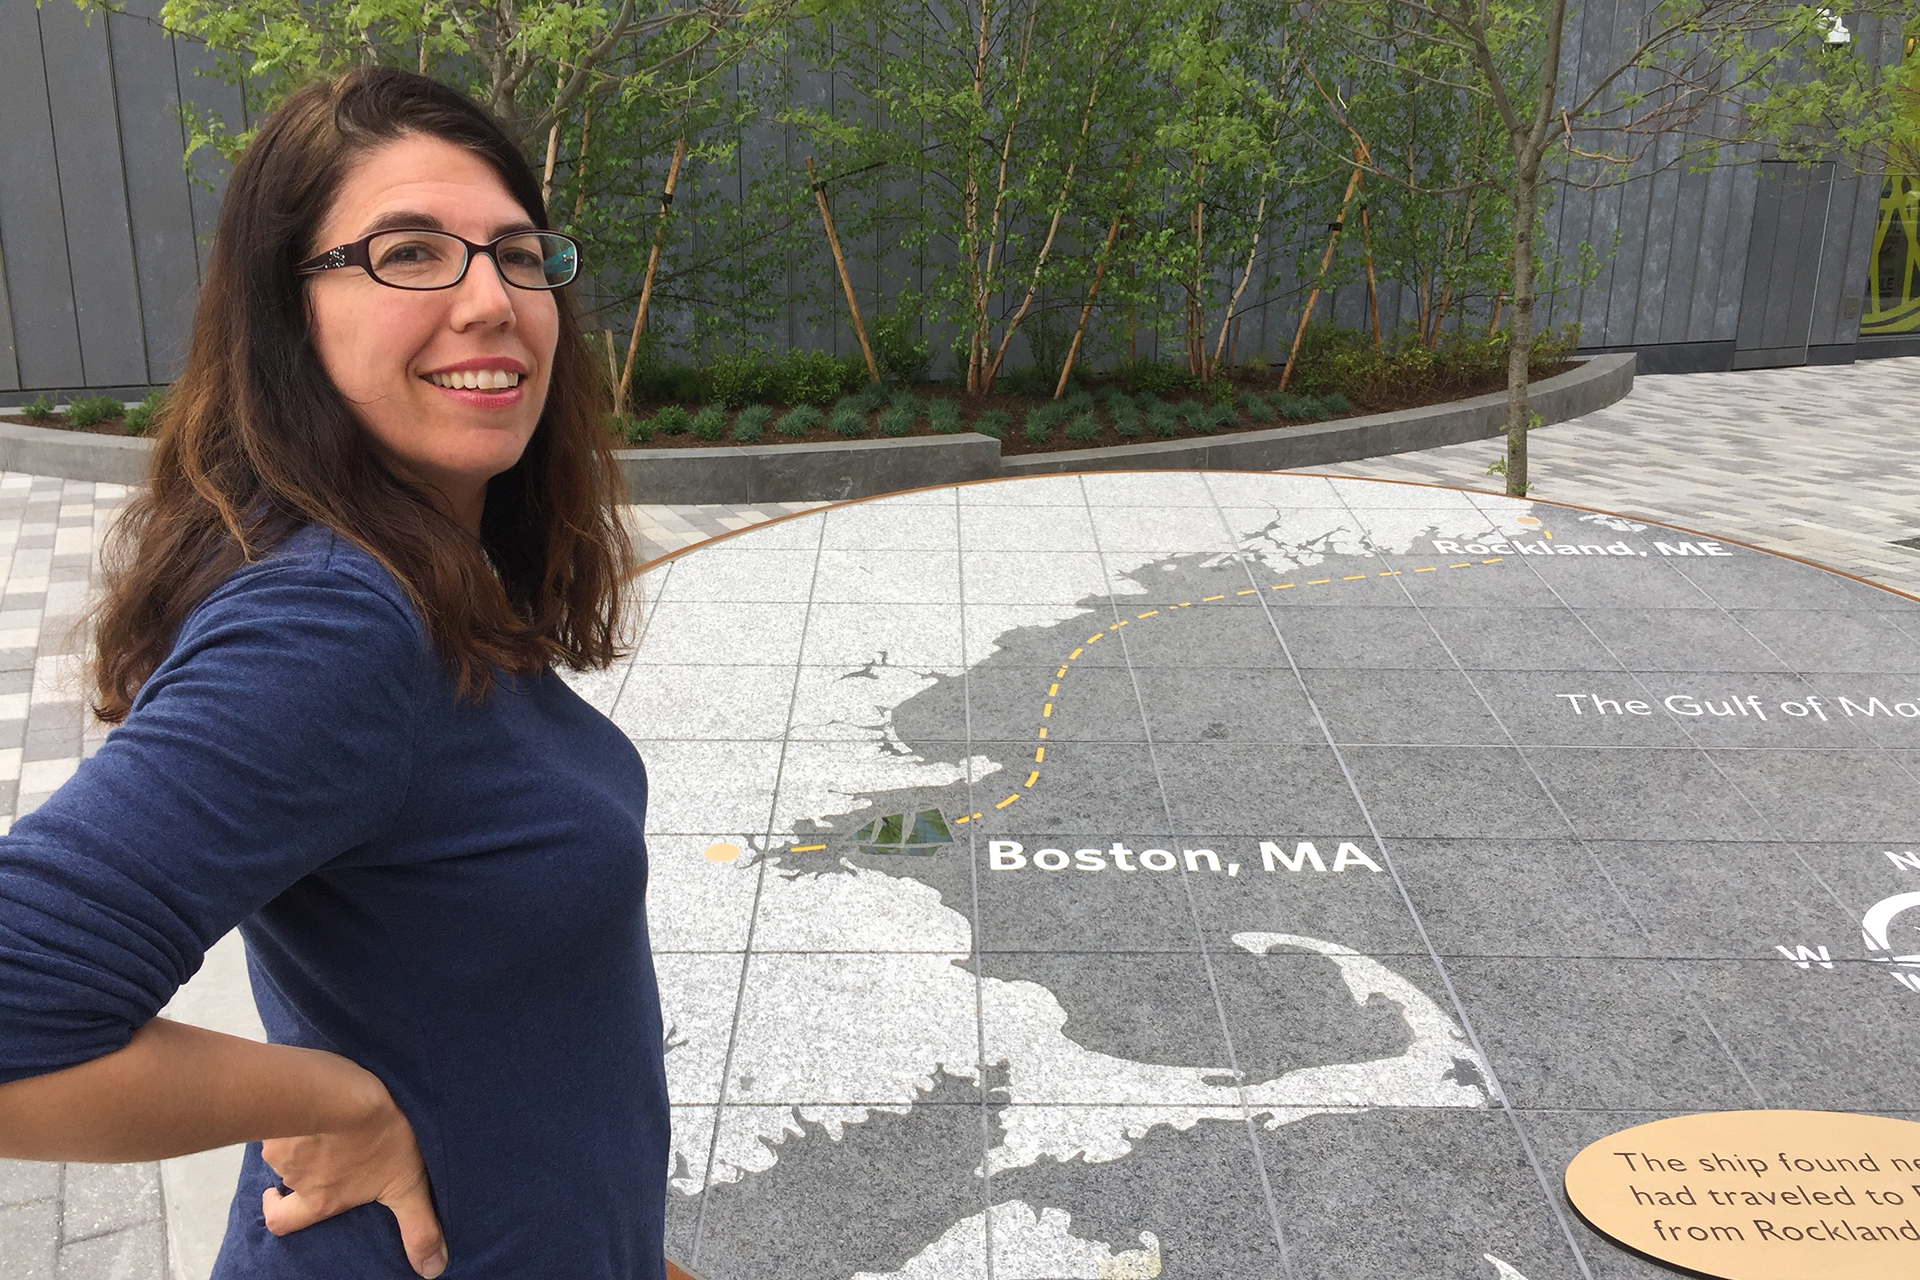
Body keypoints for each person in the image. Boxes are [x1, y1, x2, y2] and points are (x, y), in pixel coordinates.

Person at [0, 68, 666, 1280]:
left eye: (519, 254)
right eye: (410, 252)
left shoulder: (426, 566)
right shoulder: (337, 620)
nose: (490, 300)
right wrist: (329, 1100)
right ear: (287, 310)